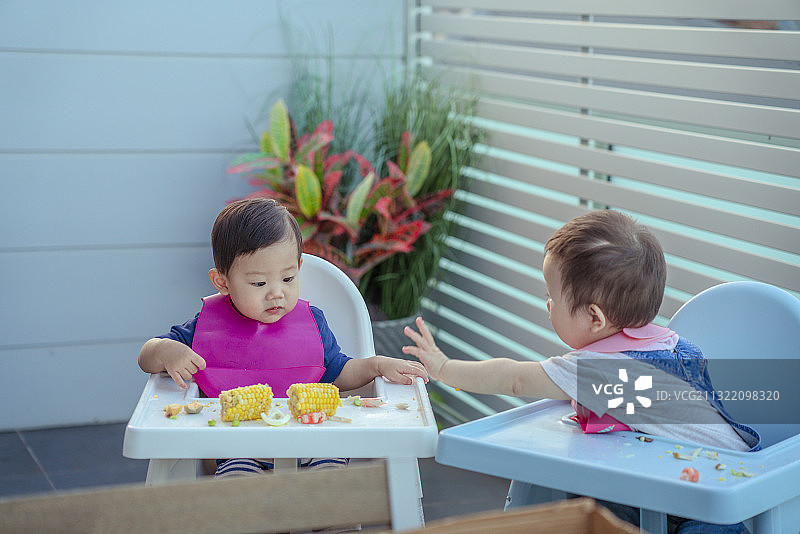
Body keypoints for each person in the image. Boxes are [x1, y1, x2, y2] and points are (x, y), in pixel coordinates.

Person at [402, 210, 758, 533]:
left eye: (552, 296)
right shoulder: (671, 343)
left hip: (707, 506)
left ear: (595, 317)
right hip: (728, 484)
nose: (547, 304)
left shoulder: (598, 370)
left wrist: (445, 367)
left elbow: (515, 378)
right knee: (591, 496)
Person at [139, 197, 428, 478]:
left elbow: (339, 371)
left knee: (333, 471)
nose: (276, 293)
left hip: (313, 438)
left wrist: (376, 365)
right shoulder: (206, 327)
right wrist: (166, 351)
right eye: (259, 283)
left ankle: (328, 507)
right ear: (222, 282)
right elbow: (146, 356)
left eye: (288, 279)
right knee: (236, 481)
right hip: (241, 445)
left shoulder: (312, 322)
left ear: (298, 268)